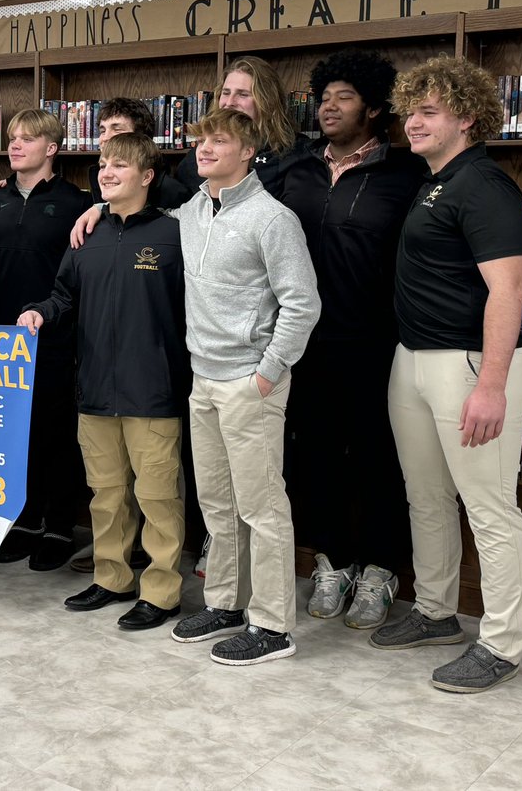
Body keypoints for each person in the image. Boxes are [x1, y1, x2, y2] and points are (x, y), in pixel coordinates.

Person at [369, 57, 522, 694]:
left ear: (466, 118)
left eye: (429, 111)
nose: (413, 122)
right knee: (427, 496)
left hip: (469, 364)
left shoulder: (482, 184)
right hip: (414, 358)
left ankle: (502, 641)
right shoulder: (434, 179)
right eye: (410, 110)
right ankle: (436, 613)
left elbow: (508, 289)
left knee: (490, 507)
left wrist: (491, 383)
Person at [277, 49, 425, 630]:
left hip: (374, 341)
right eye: (324, 95)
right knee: (312, 455)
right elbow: (222, 197)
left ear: (375, 106)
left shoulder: (404, 173)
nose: (328, 106)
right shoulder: (298, 169)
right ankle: (332, 560)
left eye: (344, 96)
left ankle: (381, 569)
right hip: (301, 341)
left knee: (376, 457)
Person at [19, 132, 189, 631]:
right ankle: (111, 578)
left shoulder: (173, 234)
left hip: (153, 390)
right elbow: (63, 297)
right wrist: (38, 313)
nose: (107, 172)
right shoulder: (85, 235)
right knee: (106, 493)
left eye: (119, 165)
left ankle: (161, 592)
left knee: (158, 498)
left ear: (147, 176)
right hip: (93, 389)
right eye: (102, 165)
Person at [168, 108, 320, 665]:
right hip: (202, 379)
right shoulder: (192, 212)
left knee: (261, 506)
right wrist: (93, 210)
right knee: (217, 502)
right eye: (201, 140)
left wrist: (267, 372)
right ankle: (226, 603)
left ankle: (274, 626)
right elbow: (140, 210)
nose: (204, 149)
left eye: (219, 140)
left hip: (249, 383)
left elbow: (303, 303)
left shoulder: (272, 219)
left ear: (248, 150)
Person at [0, 108, 91, 571]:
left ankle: (59, 526)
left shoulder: (75, 201)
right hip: (1, 334)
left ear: (52, 147)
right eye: (12, 138)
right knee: (13, 431)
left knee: (55, 431)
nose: (16, 145)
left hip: (54, 334)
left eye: (27, 138)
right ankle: (23, 522)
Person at [176, 56, 304, 197]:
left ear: (267, 101)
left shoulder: (296, 154)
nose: (229, 102)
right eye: (225, 93)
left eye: (242, 94)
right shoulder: (200, 154)